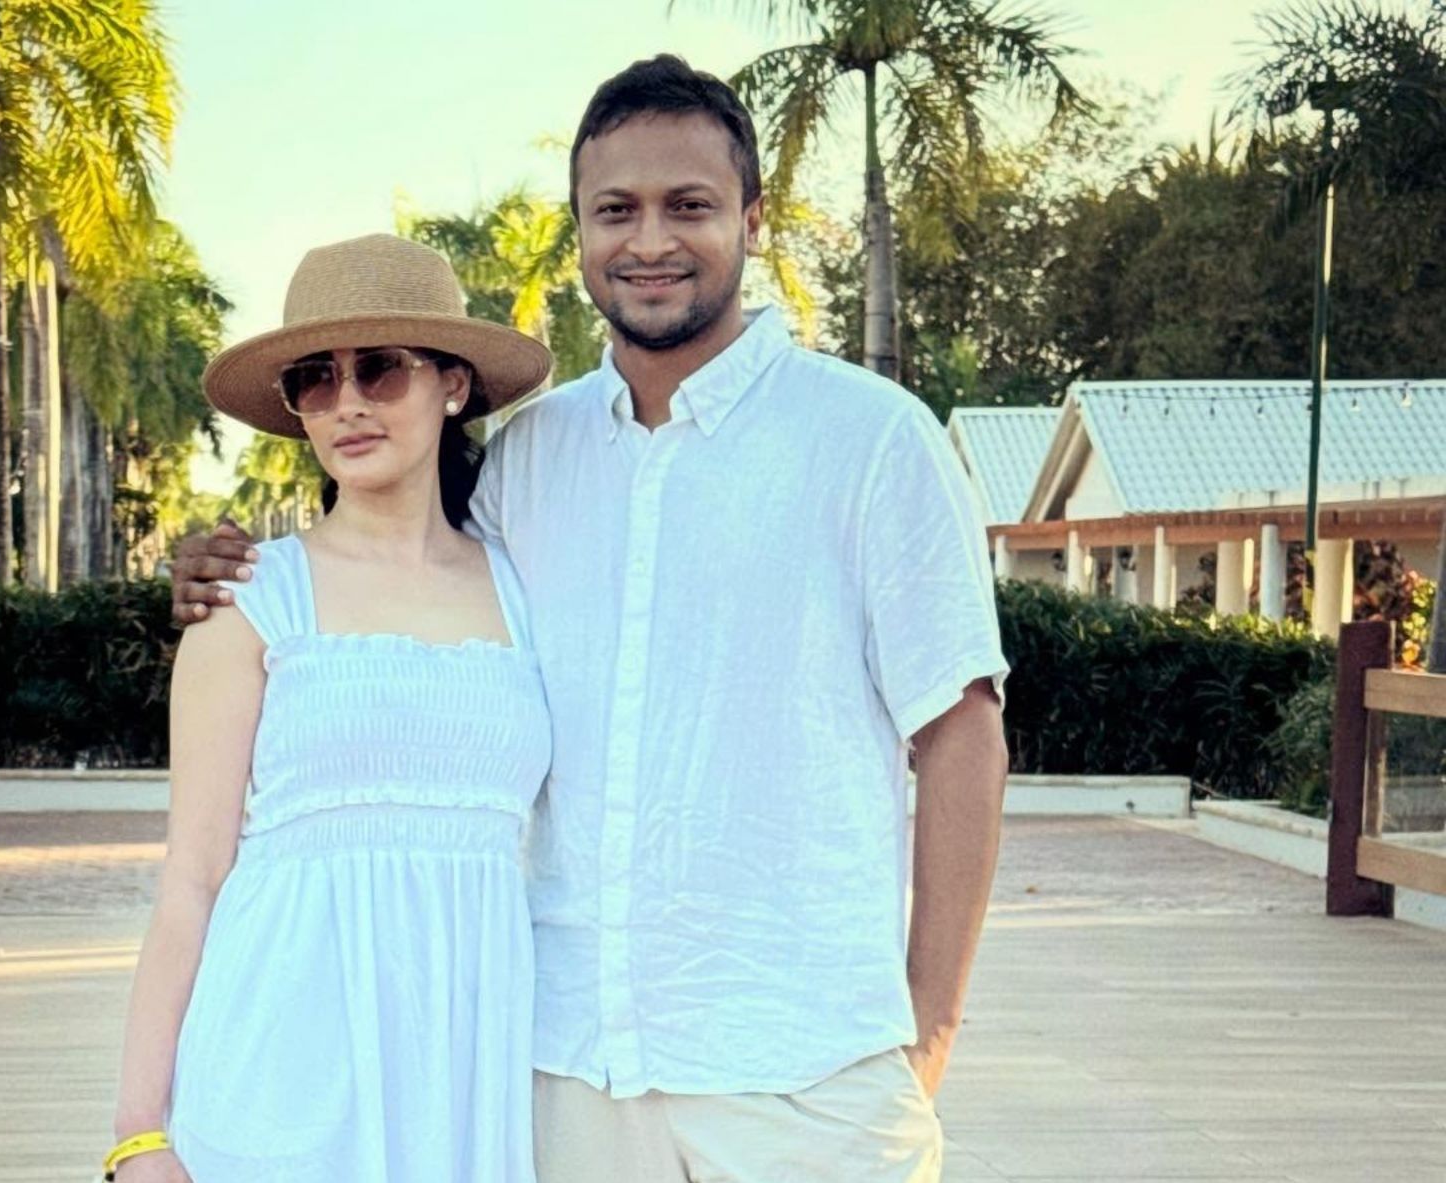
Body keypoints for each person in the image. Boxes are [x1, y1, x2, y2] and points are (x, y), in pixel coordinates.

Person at [175, 56, 1009, 1183]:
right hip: (564, 1072)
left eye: (690, 206)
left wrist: (928, 1033)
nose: (649, 240)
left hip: (803, 1071)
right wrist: (219, 572)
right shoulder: (529, 460)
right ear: (578, 235)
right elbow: (383, 571)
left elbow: (959, 729)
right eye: (616, 210)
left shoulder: (872, 443)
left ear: (754, 221)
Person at [108, 234, 556, 1183]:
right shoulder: (249, 599)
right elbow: (192, 878)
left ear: (455, 385)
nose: (348, 402)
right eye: (317, 379)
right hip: (284, 1059)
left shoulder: (530, 588)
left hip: (469, 1073)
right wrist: (139, 1133)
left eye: (382, 369)